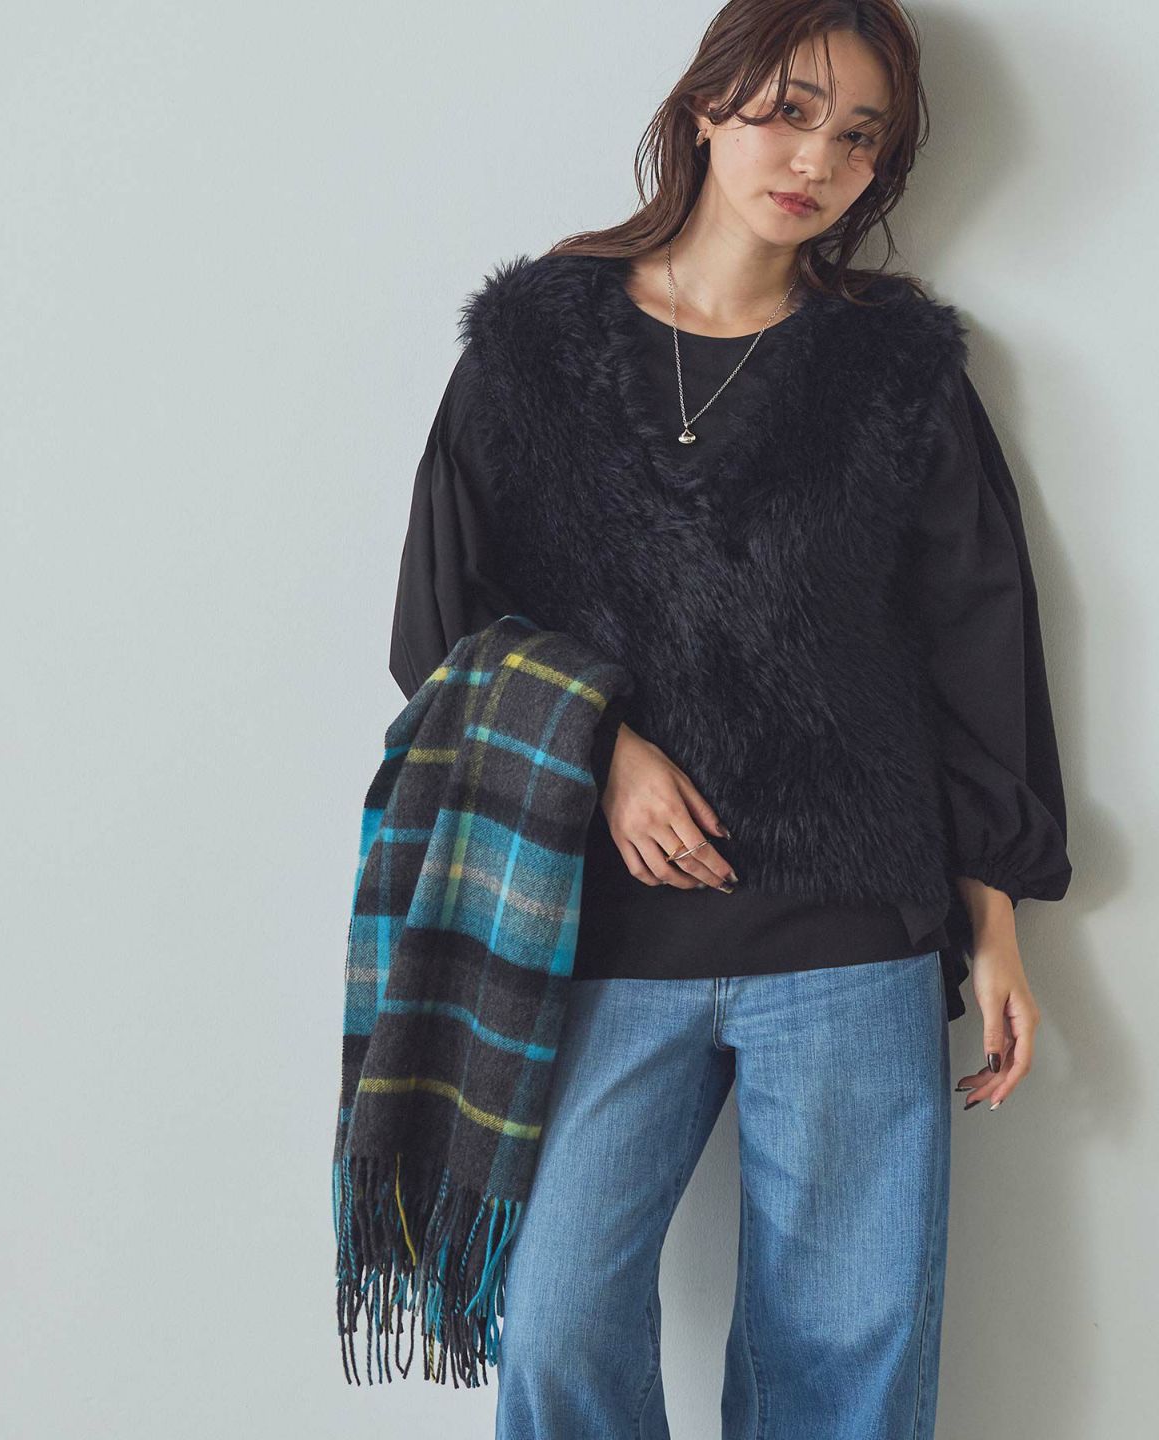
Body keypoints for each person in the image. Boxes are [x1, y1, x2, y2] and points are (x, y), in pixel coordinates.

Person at [387, 3, 1073, 1435]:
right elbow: (442, 624)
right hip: (594, 929)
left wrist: (996, 919)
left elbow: (977, 643)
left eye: (860, 136)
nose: (818, 157)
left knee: (846, 1362)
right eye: (789, 109)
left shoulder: (895, 372)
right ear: (708, 105)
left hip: (849, 930)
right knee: (557, 1325)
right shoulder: (535, 347)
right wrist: (602, 751)